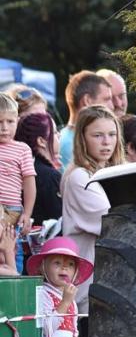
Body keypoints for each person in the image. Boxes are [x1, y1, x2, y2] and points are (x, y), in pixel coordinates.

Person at [61, 106, 123, 311]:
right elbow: (114, 220)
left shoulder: (109, 172)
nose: (106, 142)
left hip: (107, 283)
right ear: (82, 138)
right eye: (98, 135)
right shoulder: (80, 177)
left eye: (112, 134)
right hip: (88, 290)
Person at [0, 93, 36, 276]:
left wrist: (27, 214)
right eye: (0, 122)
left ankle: (16, 278)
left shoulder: (22, 149)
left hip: (13, 209)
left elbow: (29, 183)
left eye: (10, 121)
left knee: (13, 247)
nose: (4, 128)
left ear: (17, 121)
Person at [15, 112, 63, 227]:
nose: (59, 135)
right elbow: (60, 220)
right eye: (54, 132)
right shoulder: (49, 176)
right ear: (41, 141)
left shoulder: (21, 168)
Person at [59, 72, 113, 168]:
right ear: (87, 100)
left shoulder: (68, 139)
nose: (112, 106)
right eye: (106, 99)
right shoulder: (70, 145)